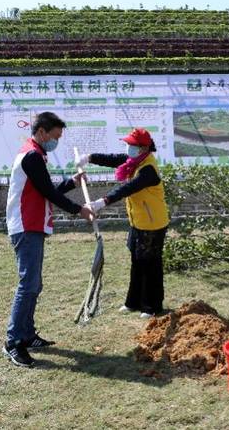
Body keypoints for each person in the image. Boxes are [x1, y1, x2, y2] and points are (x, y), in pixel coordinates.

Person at [3, 111, 94, 367]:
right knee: (28, 284)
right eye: (54, 136)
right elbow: (48, 193)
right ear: (41, 132)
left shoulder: (36, 154)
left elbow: (47, 190)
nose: (55, 142)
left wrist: (71, 183)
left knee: (34, 284)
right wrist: (80, 210)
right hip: (25, 225)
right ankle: (13, 342)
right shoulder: (31, 156)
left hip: (32, 226)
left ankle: (27, 334)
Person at [77, 128, 169, 319]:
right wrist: (89, 157)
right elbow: (113, 158)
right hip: (138, 222)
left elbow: (128, 188)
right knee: (136, 261)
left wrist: (101, 202)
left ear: (143, 148)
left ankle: (151, 306)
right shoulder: (135, 161)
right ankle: (133, 302)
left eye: (132, 145)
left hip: (153, 225)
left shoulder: (148, 169)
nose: (128, 148)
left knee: (150, 264)